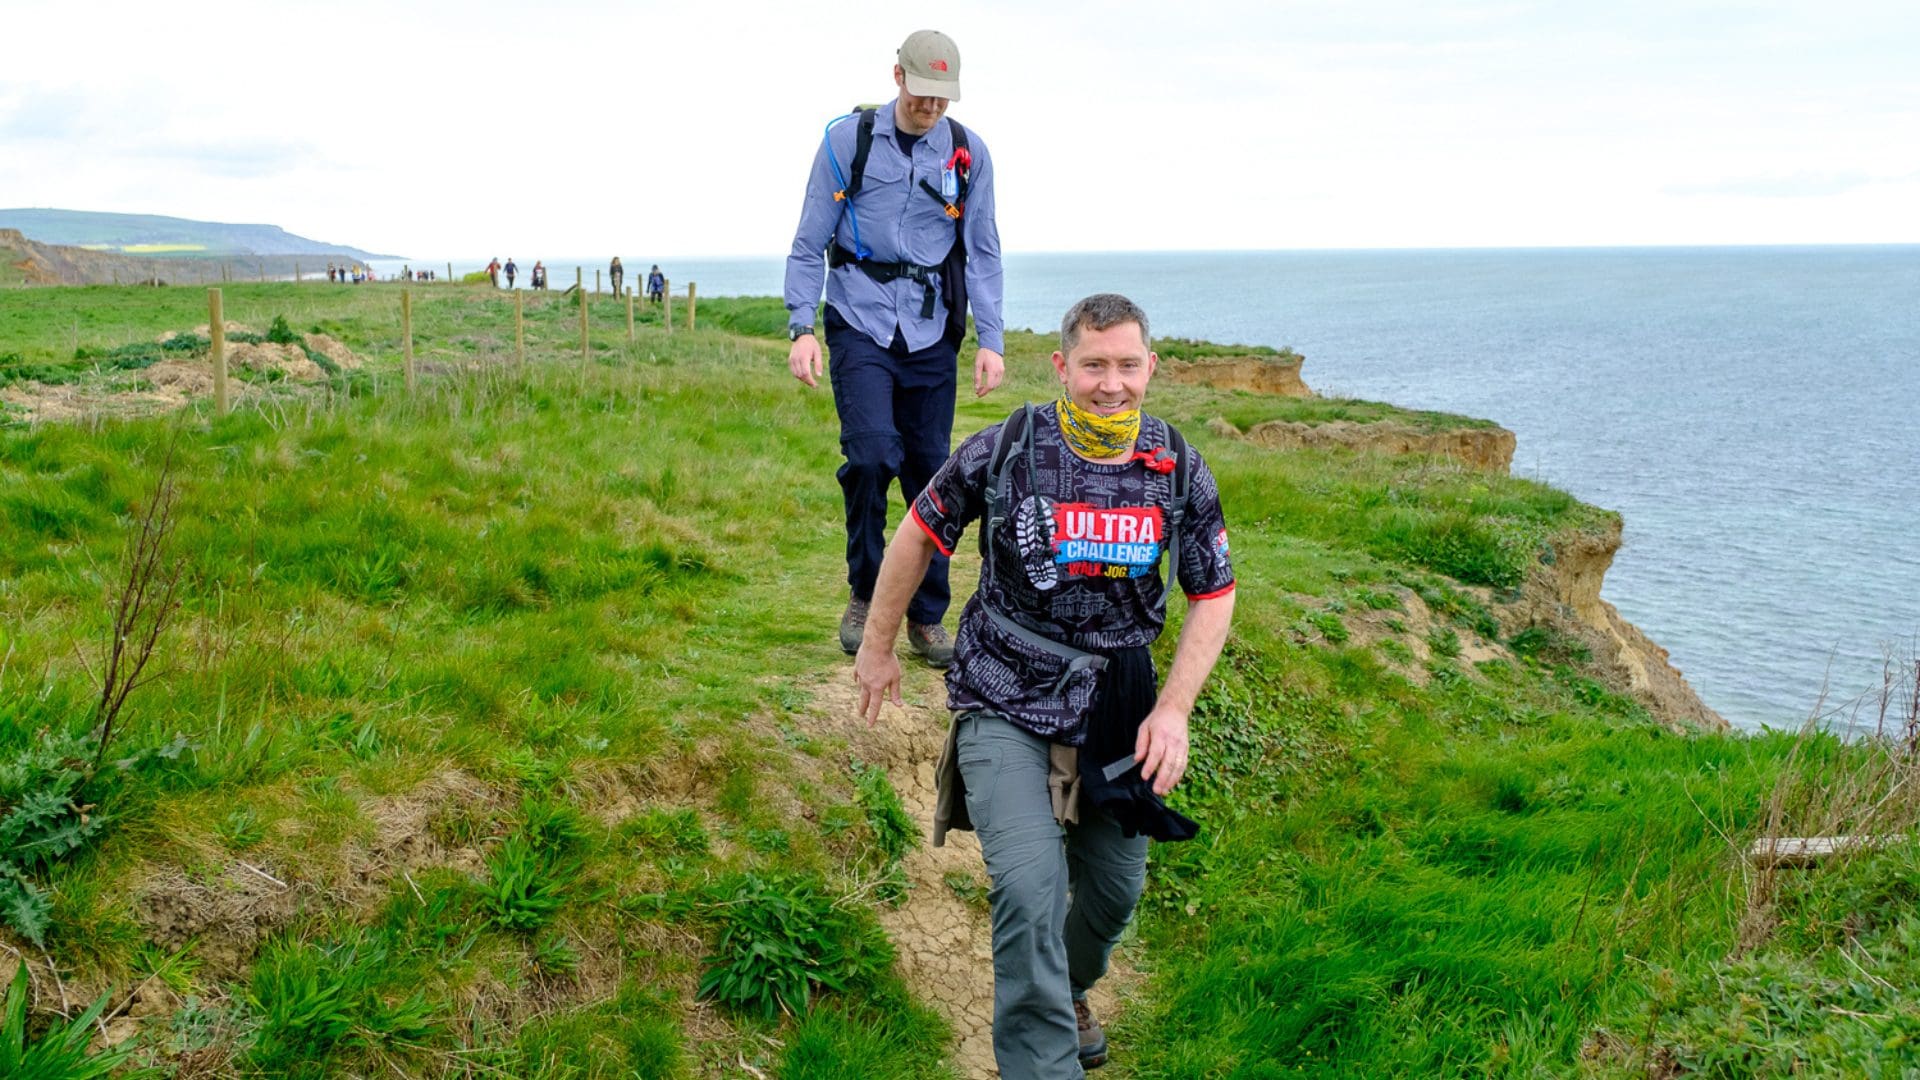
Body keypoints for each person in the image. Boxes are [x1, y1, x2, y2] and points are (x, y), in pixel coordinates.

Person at [856, 294, 1236, 1079]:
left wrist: (1174, 710)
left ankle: (1065, 989)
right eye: (1094, 365)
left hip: (1119, 702)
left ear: (1150, 368)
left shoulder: (1176, 464)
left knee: (1111, 894)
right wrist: (877, 645)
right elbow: (919, 531)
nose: (1111, 383)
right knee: (1029, 890)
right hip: (1005, 689)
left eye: (1127, 365)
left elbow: (1214, 590)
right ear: (1063, 367)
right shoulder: (1009, 447)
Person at [784, 28, 1005, 668]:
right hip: (858, 317)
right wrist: (802, 326)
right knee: (872, 456)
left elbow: (984, 250)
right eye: (922, 92)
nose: (931, 107)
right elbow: (806, 245)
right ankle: (865, 590)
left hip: (933, 329)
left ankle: (926, 616)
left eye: (944, 97)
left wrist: (990, 340)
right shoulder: (844, 143)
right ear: (897, 76)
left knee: (931, 473)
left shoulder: (968, 154)